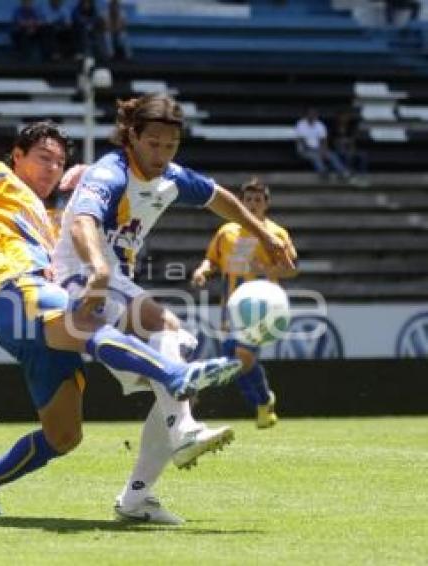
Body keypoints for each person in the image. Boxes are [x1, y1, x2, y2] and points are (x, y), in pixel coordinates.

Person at [0, 121, 245, 517]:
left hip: (46, 315)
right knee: (91, 323)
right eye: (43, 158)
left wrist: (87, 174)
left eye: (59, 162)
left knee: (64, 435)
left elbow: (98, 218)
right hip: (16, 292)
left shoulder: (53, 212)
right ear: (17, 156)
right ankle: (175, 378)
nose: (52, 168)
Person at [53, 94, 295, 523]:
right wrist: (97, 271)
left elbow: (222, 199)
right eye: (154, 144)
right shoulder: (110, 171)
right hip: (82, 279)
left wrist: (265, 235)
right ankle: (183, 431)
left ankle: (136, 498)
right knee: (169, 331)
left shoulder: (172, 177)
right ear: (132, 136)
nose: (162, 155)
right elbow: (80, 222)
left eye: (171, 146)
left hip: (115, 281)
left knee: (178, 379)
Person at [191, 178, 298, 428]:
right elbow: (213, 261)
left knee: (242, 355)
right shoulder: (226, 232)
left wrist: (266, 268)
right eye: (248, 200)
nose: (252, 205)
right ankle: (263, 401)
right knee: (234, 362)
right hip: (230, 307)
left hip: (260, 309)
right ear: (240, 202)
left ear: (266, 204)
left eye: (258, 200)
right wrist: (202, 270)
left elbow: (291, 269)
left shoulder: (276, 234)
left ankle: (263, 401)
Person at [295, 108, 351, 182]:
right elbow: (302, 141)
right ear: (306, 115)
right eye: (310, 114)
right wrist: (315, 150)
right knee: (316, 157)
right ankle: (324, 173)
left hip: (318, 148)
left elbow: (323, 140)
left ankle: (343, 172)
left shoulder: (320, 125)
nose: (312, 116)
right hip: (304, 150)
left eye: (314, 114)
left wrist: (323, 150)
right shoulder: (300, 124)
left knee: (331, 155)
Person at [332, 109, 369, 179]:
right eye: (342, 116)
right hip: (337, 149)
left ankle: (362, 175)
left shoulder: (351, 127)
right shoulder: (333, 127)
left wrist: (349, 144)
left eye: (346, 117)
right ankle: (347, 173)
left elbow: (353, 140)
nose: (344, 118)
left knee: (363, 155)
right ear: (338, 117)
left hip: (350, 148)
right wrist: (342, 142)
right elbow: (334, 142)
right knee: (347, 154)